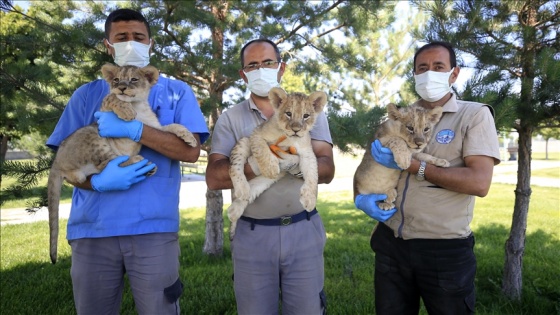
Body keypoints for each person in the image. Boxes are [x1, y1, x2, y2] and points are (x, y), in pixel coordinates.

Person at [46, 8, 209, 315]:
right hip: (92, 230)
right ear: (108, 44)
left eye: (139, 36)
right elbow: (64, 164)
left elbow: (190, 152)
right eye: (122, 37)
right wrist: (96, 183)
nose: (131, 42)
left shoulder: (176, 91)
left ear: (150, 43)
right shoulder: (86, 95)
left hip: (153, 229)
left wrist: (136, 129)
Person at [354, 41, 501, 314]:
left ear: (454, 74)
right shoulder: (401, 116)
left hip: (443, 249)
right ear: (414, 75)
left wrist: (416, 167)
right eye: (422, 68)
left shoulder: (474, 115)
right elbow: (369, 161)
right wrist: (359, 198)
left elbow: (480, 183)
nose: (429, 73)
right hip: (391, 242)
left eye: (438, 67)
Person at [206, 38, 335, 314]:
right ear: (243, 74)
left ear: (281, 68)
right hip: (252, 233)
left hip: (303, 227)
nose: (260, 68)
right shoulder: (230, 118)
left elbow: (327, 169)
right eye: (252, 65)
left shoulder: (310, 112)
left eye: (267, 62)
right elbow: (214, 178)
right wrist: (261, 161)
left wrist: (295, 164)